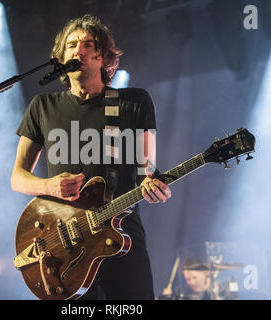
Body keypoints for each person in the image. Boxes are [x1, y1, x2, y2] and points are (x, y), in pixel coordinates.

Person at [11, 14, 171, 300]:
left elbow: (147, 169)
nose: (78, 50)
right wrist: (48, 186)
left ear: (103, 57)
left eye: (87, 44)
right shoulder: (42, 107)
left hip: (121, 234)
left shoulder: (133, 102)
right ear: (60, 57)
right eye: (71, 45)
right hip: (65, 246)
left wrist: (151, 184)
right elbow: (17, 178)